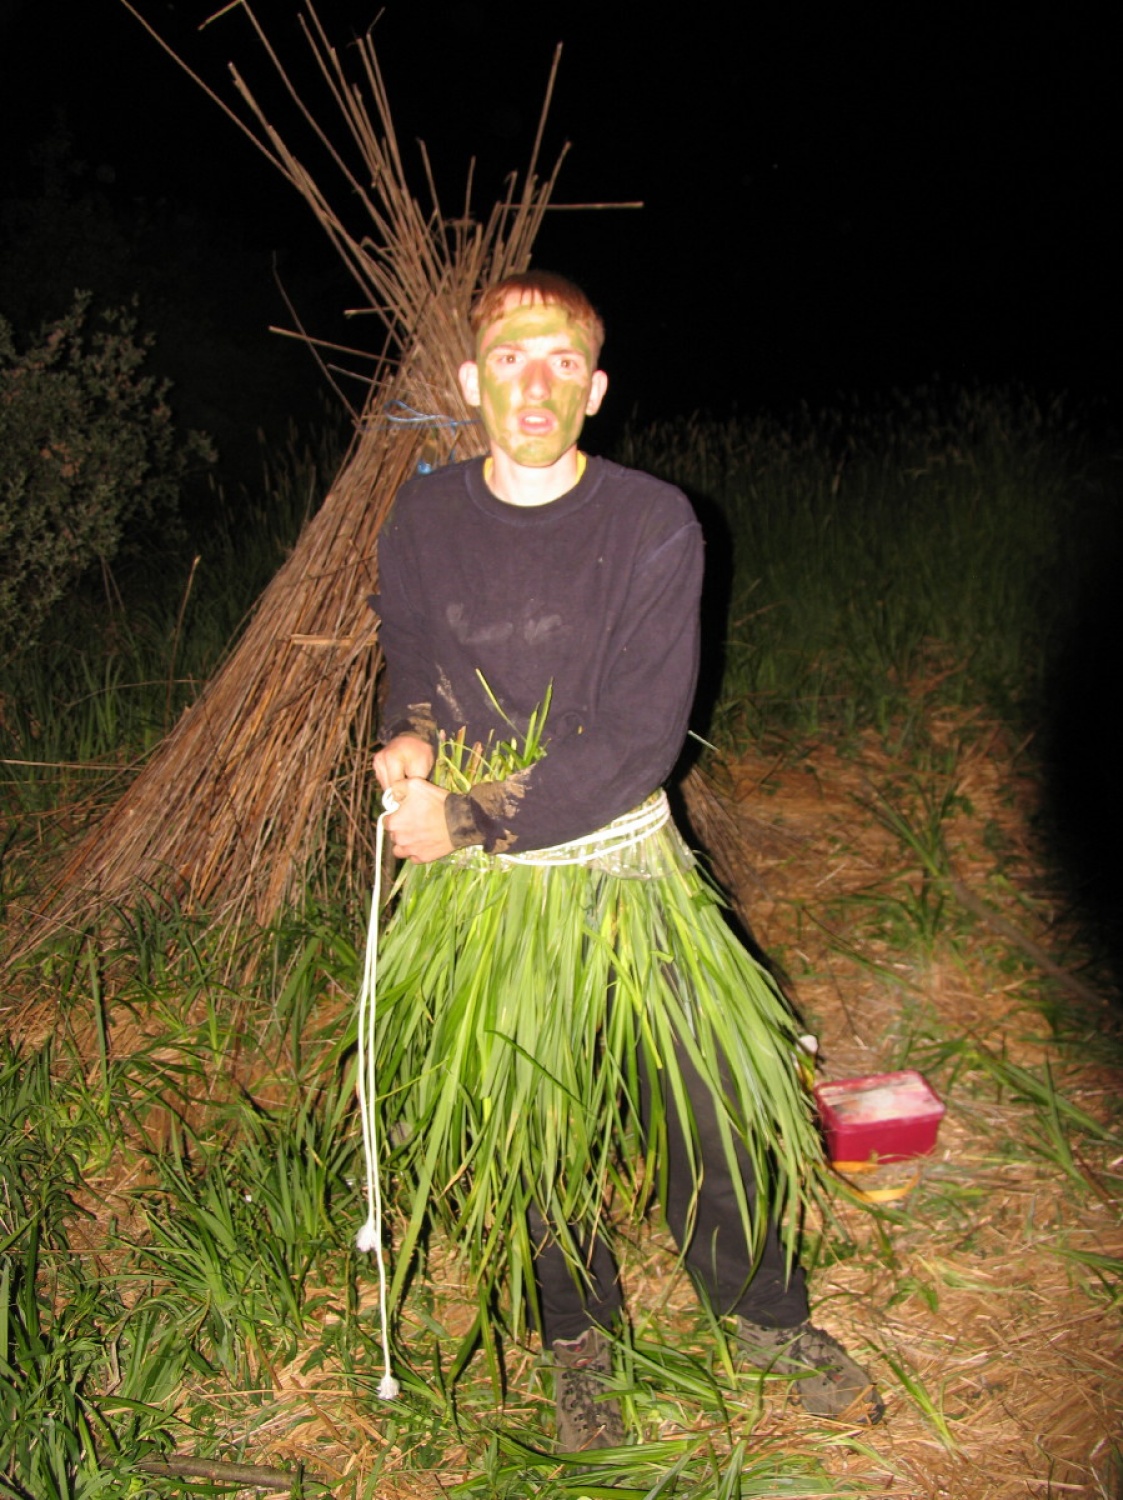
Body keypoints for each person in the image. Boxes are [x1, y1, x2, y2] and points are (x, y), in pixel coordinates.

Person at [372, 270, 883, 1448]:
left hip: (623, 863)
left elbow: (640, 741)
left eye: (561, 361)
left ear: (594, 389)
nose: (534, 384)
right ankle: (579, 1339)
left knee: (708, 1098)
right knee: (530, 1114)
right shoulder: (424, 520)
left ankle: (764, 1317)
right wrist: (410, 741)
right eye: (510, 359)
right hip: (491, 899)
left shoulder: (653, 522)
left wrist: (467, 818)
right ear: (471, 381)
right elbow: (415, 665)